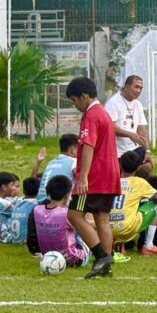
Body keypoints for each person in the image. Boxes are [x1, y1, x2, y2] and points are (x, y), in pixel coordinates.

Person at [64, 76, 121, 279]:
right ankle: (106, 266)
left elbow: (88, 145)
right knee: (102, 219)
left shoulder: (91, 115)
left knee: (74, 215)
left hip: (95, 178)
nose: (75, 105)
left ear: (84, 97)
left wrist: (83, 178)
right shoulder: (104, 113)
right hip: (111, 175)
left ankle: (100, 257)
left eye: (74, 101)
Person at [110, 150, 157, 256]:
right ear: (138, 168)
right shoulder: (139, 182)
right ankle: (148, 245)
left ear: (119, 164)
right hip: (127, 228)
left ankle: (115, 244)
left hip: (107, 227)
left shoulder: (112, 180)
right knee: (155, 204)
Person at [27, 175, 91, 266]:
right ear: (67, 195)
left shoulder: (37, 210)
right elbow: (86, 226)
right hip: (74, 259)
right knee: (88, 225)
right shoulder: (66, 213)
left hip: (48, 256)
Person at [105, 74, 149, 157]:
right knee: (127, 168)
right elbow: (109, 127)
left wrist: (147, 150)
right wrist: (130, 134)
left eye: (140, 88)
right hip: (117, 151)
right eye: (136, 87)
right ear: (127, 86)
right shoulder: (113, 103)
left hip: (134, 149)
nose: (138, 91)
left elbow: (142, 130)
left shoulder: (138, 104)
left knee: (148, 167)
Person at [37, 134, 78, 202]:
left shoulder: (51, 162)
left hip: (40, 202)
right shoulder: (74, 162)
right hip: (58, 204)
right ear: (72, 150)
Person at [9, 176, 40, 245]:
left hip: (15, 239)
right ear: (39, 191)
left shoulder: (18, 201)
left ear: (23, 191)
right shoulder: (36, 204)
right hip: (25, 241)